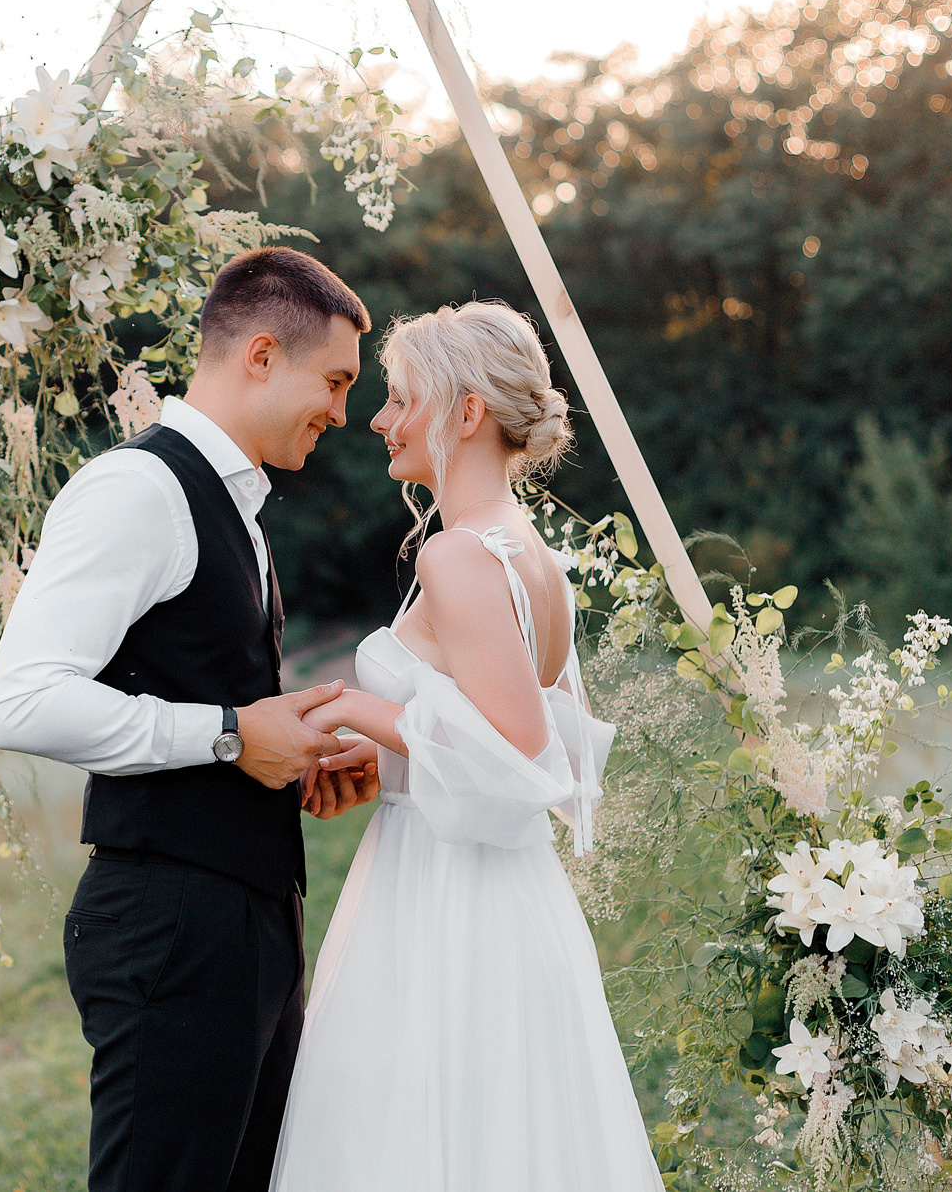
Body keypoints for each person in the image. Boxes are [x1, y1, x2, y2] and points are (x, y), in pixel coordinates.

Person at [0, 246, 385, 1192]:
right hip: (171, 926)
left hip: (243, 922)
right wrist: (232, 735)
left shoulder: (234, 502)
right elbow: (23, 698)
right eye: (332, 381)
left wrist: (289, 753)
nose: (341, 411)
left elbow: (211, 685)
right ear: (258, 356)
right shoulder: (139, 491)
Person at [268, 300, 664, 1191]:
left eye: (400, 397)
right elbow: (519, 733)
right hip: (505, 894)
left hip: (448, 898)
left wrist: (347, 711)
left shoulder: (458, 558)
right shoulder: (532, 554)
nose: (377, 420)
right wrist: (389, 758)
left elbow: (520, 760)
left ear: (468, 412)